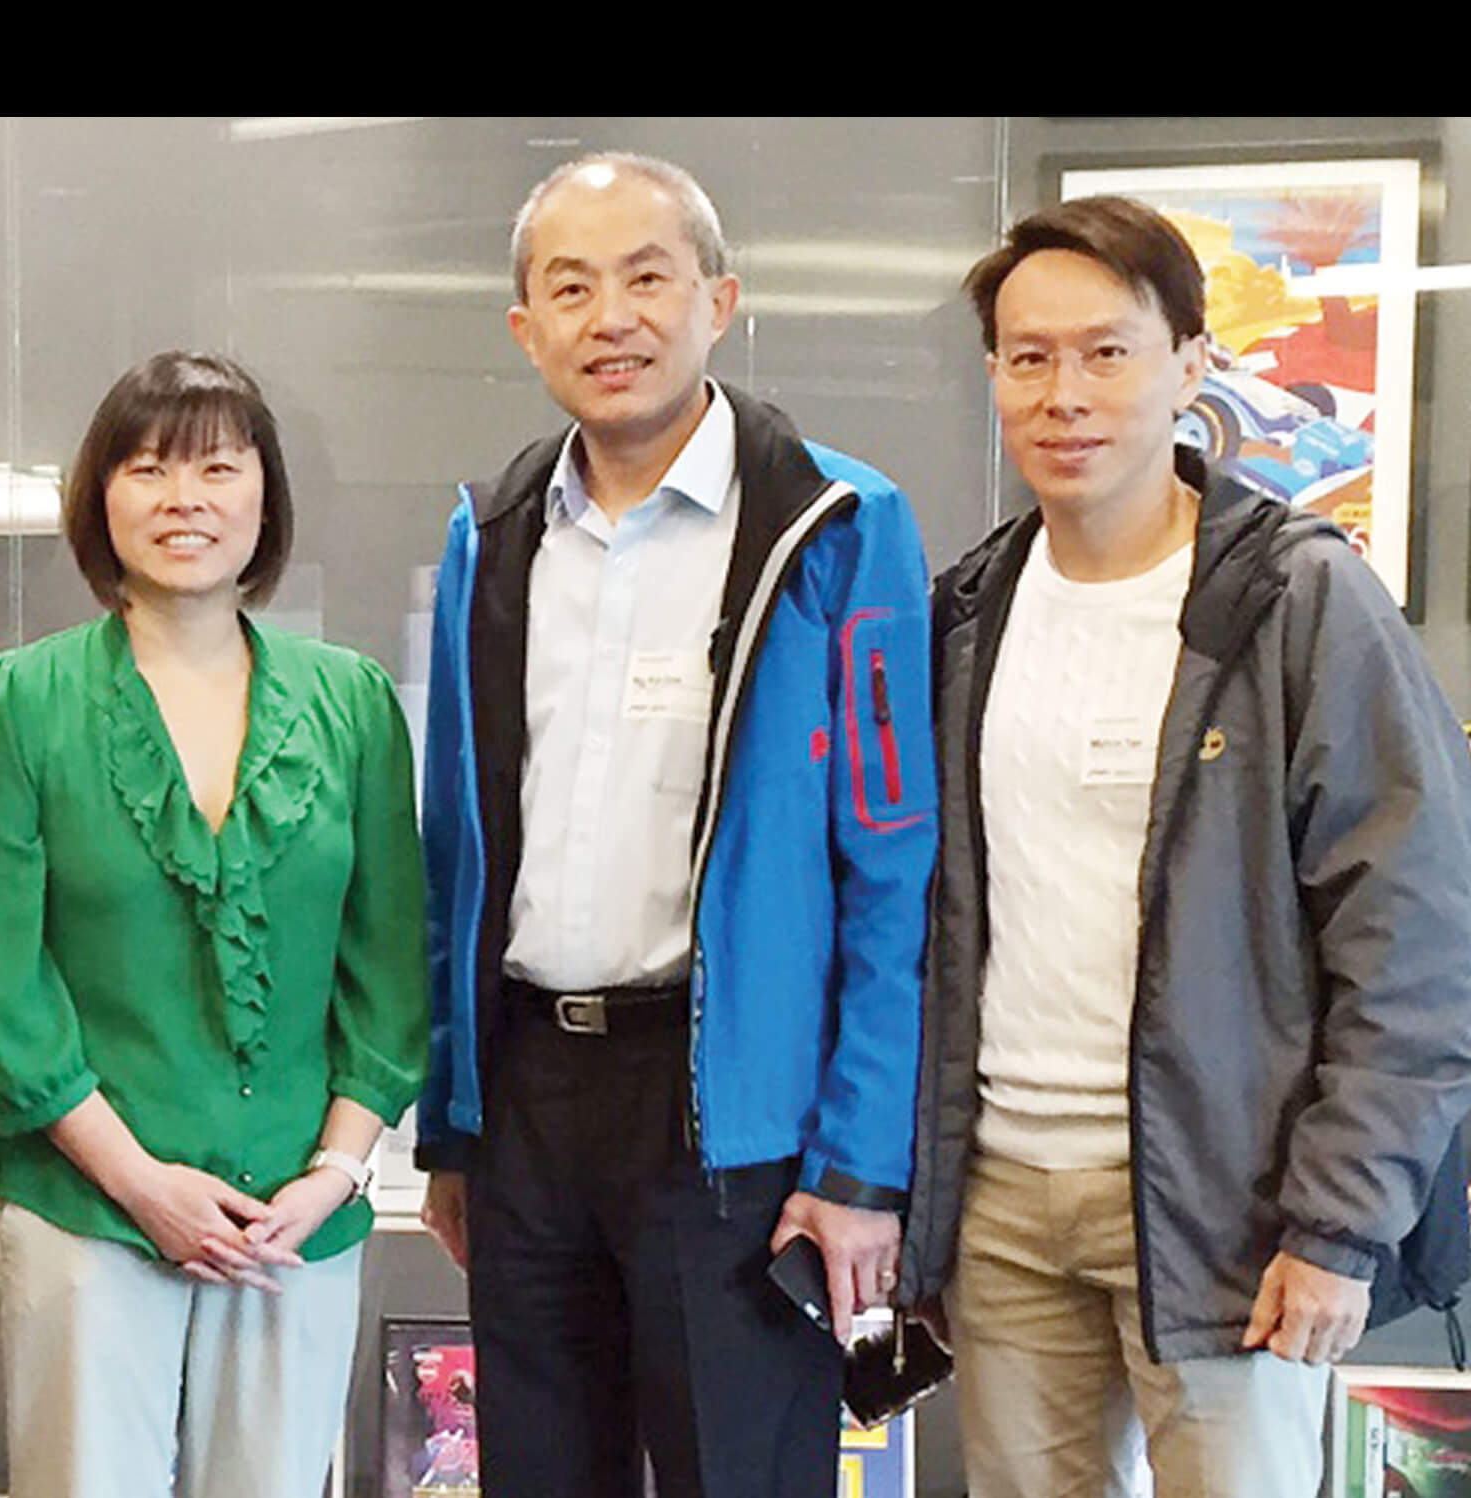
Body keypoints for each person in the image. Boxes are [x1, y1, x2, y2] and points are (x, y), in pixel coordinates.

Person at [899, 195, 1471, 1497]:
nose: (1066, 392)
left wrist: (1340, 1221)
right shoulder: (966, 613)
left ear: (1191, 365)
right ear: (994, 374)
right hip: (1007, 1210)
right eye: (1030, 356)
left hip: (1238, 1216)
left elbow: (1418, 949)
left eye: (1107, 351)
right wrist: (930, 1210)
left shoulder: (1297, 601)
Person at [415, 154, 939, 1496]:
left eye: (649, 277)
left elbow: (892, 868)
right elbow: (458, 855)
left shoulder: (834, 523)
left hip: (734, 1119)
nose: (614, 318)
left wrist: (863, 1163)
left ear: (720, 299)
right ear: (524, 328)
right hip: (532, 1101)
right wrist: (455, 1123)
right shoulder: (494, 530)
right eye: (571, 287)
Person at [0, 351, 426, 1497]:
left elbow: (390, 967)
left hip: (292, 1220)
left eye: (216, 466)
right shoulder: (15, 703)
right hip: (86, 1211)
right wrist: (141, 1184)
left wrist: (335, 1176)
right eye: (146, 468)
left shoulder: (350, 701)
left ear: (266, 496)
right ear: (98, 498)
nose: (183, 498)